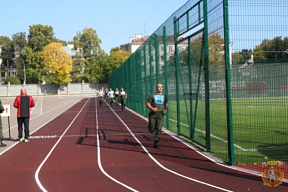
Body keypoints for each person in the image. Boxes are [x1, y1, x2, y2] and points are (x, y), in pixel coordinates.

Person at [146, 83, 168, 148]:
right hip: (153, 115)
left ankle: (156, 142)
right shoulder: (152, 95)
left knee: (159, 128)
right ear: (156, 88)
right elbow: (147, 103)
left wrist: (166, 109)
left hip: (161, 114)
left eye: (161, 87)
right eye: (159, 87)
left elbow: (165, 103)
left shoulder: (164, 96)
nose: (160, 88)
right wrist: (152, 108)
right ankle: (150, 127)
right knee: (152, 129)